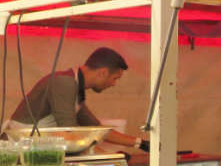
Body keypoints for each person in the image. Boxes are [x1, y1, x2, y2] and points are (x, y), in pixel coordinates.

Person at [7, 47, 148, 151]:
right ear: (103, 73)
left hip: (37, 150)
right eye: (114, 79)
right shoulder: (64, 83)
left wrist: (140, 143)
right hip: (21, 152)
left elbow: (97, 129)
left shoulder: (75, 87)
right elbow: (69, 133)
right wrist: (105, 156)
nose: (113, 84)